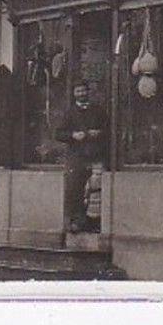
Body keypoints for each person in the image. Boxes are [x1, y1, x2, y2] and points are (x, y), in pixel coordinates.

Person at [55, 81, 110, 234]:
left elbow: (109, 130)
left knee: (96, 189)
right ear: (74, 94)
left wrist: (98, 133)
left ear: (88, 92)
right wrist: (73, 135)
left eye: (83, 91)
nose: (81, 94)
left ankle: (94, 222)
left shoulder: (98, 111)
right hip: (77, 156)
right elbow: (59, 134)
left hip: (95, 154)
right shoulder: (70, 113)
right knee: (75, 189)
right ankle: (76, 222)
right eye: (78, 91)